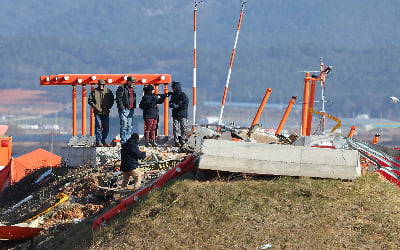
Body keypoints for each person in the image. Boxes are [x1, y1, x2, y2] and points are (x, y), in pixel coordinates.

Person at [88, 79, 114, 147]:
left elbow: (112, 100)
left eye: (102, 85)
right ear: (98, 84)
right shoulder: (94, 92)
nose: (101, 86)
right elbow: (90, 101)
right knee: (98, 127)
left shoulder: (108, 91)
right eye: (100, 85)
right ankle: (98, 142)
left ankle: (103, 141)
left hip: (106, 112)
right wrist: (96, 107)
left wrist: (108, 107)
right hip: (97, 113)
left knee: (106, 128)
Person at [116, 76, 137, 144]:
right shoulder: (122, 88)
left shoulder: (133, 89)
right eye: (132, 82)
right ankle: (124, 141)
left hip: (131, 109)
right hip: (124, 110)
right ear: (128, 81)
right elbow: (119, 99)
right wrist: (122, 108)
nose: (133, 83)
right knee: (124, 125)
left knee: (129, 125)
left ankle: (127, 140)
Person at [169, 81, 189, 147]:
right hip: (175, 114)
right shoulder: (173, 95)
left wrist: (178, 106)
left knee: (183, 127)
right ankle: (176, 141)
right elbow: (170, 103)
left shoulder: (183, 95)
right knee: (175, 128)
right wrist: (172, 105)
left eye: (174, 88)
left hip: (182, 114)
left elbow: (186, 104)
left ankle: (182, 140)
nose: (173, 89)